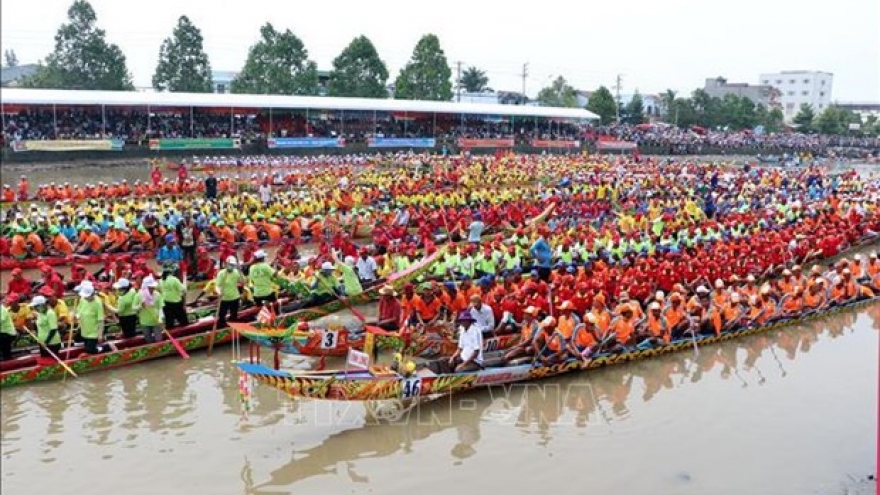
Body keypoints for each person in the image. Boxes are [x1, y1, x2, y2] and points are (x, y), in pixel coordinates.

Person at [74, 284, 111, 354]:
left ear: (92, 295)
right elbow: (79, 311)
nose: (85, 298)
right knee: (85, 347)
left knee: (90, 350)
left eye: (87, 296)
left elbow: (101, 321)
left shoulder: (98, 303)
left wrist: (100, 335)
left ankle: (105, 347)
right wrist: (76, 316)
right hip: (84, 329)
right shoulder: (83, 299)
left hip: (93, 332)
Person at [214, 256, 244, 329]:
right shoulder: (221, 273)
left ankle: (232, 327)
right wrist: (219, 292)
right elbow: (217, 286)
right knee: (222, 316)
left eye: (233, 265)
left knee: (234, 315)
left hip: (235, 297)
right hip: (224, 298)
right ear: (226, 264)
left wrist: (240, 272)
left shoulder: (236, 272)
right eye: (230, 264)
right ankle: (222, 326)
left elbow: (243, 282)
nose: (231, 266)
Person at [134, 276, 164, 343]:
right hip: (144, 322)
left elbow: (160, 307)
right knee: (148, 340)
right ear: (145, 287)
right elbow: (134, 308)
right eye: (150, 287)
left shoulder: (157, 294)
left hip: (156, 321)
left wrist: (160, 319)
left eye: (153, 287)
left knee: (159, 340)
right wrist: (140, 306)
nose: (152, 288)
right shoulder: (139, 295)